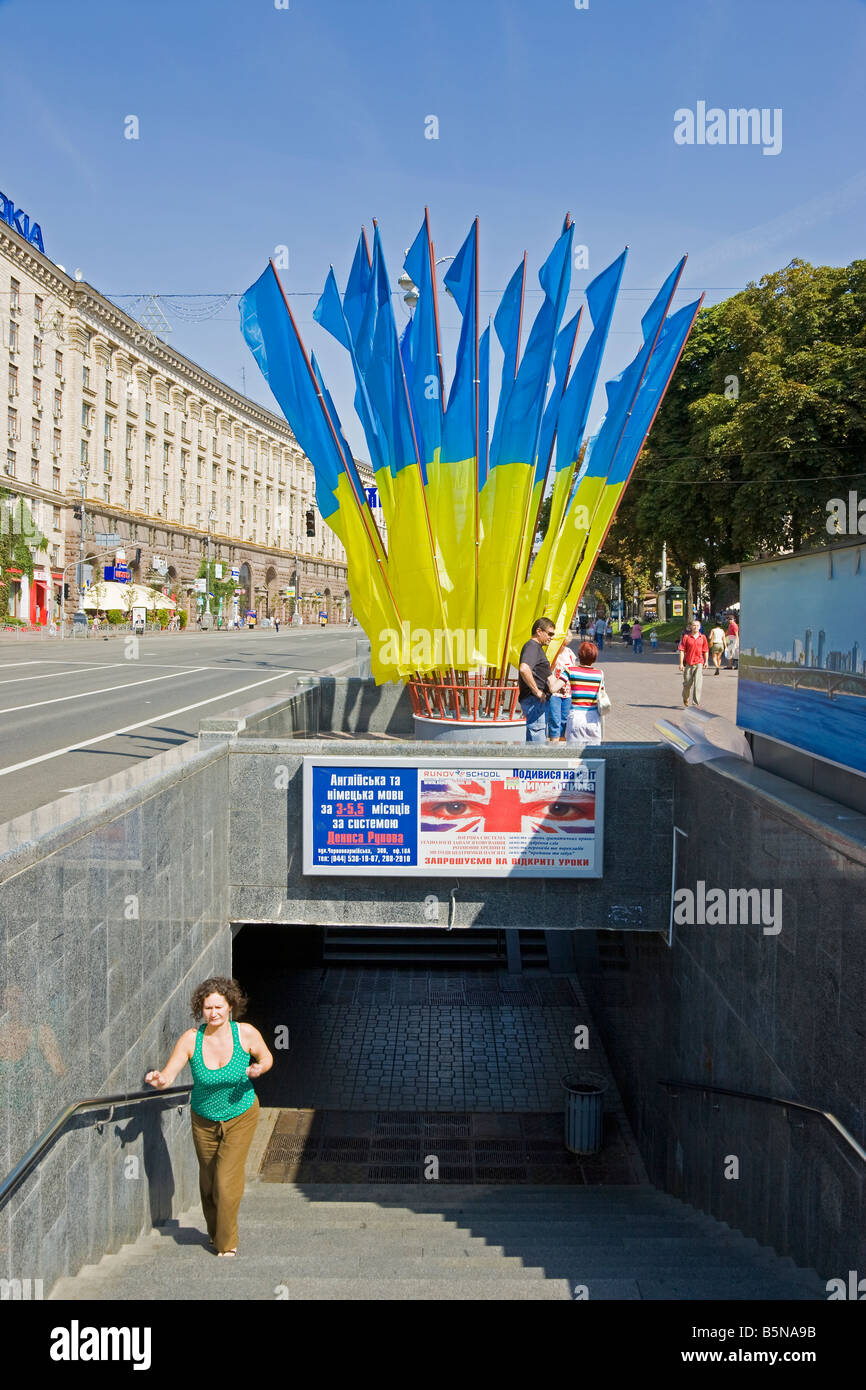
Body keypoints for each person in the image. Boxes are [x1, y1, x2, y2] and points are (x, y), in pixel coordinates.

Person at [146, 976, 273, 1257]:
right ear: (200, 1010)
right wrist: (159, 1079)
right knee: (208, 1182)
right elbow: (169, 1076)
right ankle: (216, 1234)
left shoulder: (246, 1034)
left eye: (218, 1007)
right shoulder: (192, 1039)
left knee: (226, 1182)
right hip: (203, 1119)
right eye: (207, 1008)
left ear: (230, 1006)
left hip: (241, 1113)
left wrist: (258, 1070)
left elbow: (266, 1058)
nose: (213, 1013)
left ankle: (227, 1244)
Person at [517, 616, 557, 743]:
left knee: (534, 741)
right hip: (535, 701)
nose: (552, 637)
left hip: (537, 701)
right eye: (550, 633)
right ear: (539, 631)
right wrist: (537, 691)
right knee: (537, 744)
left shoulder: (535, 647)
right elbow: (524, 668)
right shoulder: (532, 646)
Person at [564, 640, 608, 746]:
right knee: (594, 757)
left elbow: (554, 687)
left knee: (573, 755)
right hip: (593, 717)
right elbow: (601, 693)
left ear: (580, 655)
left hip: (576, 716)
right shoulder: (600, 674)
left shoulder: (570, 671)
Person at [547, 635, 577, 743]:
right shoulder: (552, 653)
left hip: (568, 692)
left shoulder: (569, 653)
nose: (563, 646)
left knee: (565, 720)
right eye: (562, 643)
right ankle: (554, 745)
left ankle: (562, 744)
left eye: (565, 643)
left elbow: (573, 669)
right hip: (554, 692)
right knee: (555, 720)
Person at [678, 618, 709, 707]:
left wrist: (706, 661)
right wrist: (681, 663)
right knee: (687, 684)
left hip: (699, 663)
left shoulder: (702, 637)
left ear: (700, 627)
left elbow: (706, 650)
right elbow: (682, 650)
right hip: (688, 663)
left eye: (697, 625)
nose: (696, 627)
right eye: (694, 625)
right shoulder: (686, 637)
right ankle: (685, 697)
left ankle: (695, 704)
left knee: (698, 685)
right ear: (691, 627)